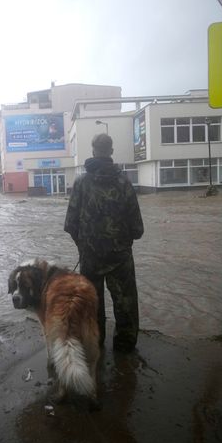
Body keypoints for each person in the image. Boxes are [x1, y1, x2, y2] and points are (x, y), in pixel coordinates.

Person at [64, 133, 144, 352]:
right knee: (125, 301)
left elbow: (70, 223)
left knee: (91, 302)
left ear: (93, 151)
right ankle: (125, 345)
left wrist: (83, 246)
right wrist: (123, 242)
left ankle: (94, 342)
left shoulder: (81, 183)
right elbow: (138, 229)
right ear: (110, 151)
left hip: (90, 256)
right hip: (120, 256)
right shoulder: (124, 182)